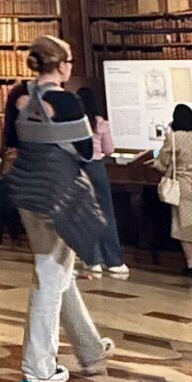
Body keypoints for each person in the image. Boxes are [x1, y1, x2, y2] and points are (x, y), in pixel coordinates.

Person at [6, 36, 112, 382]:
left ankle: (91, 349)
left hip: (26, 190)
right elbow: (84, 151)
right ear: (62, 64)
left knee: (58, 273)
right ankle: (38, 365)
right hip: (60, 195)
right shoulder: (67, 101)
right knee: (50, 277)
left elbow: (10, 140)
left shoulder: (16, 96)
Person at [75, 86, 128, 279]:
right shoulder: (100, 123)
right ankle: (114, 261)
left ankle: (92, 260)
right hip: (97, 167)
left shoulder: (76, 122)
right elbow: (109, 149)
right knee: (106, 213)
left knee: (84, 214)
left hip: (79, 167)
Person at [151, 104, 192, 277]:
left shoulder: (174, 137)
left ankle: (191, 266)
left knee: (185, 226)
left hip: (184, 186)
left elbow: (162, 162)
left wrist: (155, 163)